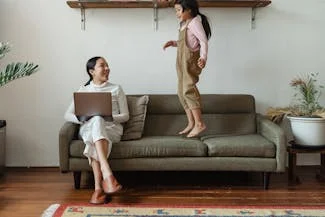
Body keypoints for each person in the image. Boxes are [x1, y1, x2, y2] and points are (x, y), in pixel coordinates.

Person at [64, 56, 129, 204]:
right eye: (102, 66)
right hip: (89, 127)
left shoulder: (116, 88)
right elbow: (67, 115)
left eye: (107, 65)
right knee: (96, 121)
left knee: (97, 125)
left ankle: (98, 189)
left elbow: (125, 116)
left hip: (111, 128)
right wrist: (84, 118)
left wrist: (108, 117)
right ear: (92, 71)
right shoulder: (83, 90)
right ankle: (107, 175)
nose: (107, 68)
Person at [163, 0, 211, 138]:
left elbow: (203, 41)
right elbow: (187, 42)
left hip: (189, 62)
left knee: (188, 90)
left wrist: (203, 58)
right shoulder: (185, 24)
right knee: (181, 92)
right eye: (176, 11)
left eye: (179, 10)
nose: (177, 13)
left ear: (188, 10)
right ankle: (191, 122)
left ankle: (199, 123)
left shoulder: (195, 22)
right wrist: (174, 43)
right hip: (181, 62)